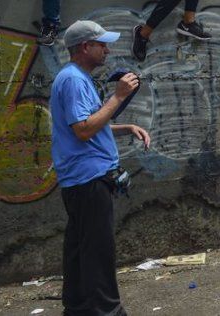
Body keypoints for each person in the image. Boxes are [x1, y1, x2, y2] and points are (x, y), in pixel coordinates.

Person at [51, 20, 151, 315]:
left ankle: (77, 308)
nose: (107, 50)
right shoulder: (73, 80)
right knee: (98, 254)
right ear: (85, 47)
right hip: (88, 179)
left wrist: (124, 127)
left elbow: (87, 125)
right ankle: (108, 311)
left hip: (83, 180)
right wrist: (118, 96)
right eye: (101, 44)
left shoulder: (75, 78)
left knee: (80, 251)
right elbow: (82, 130)